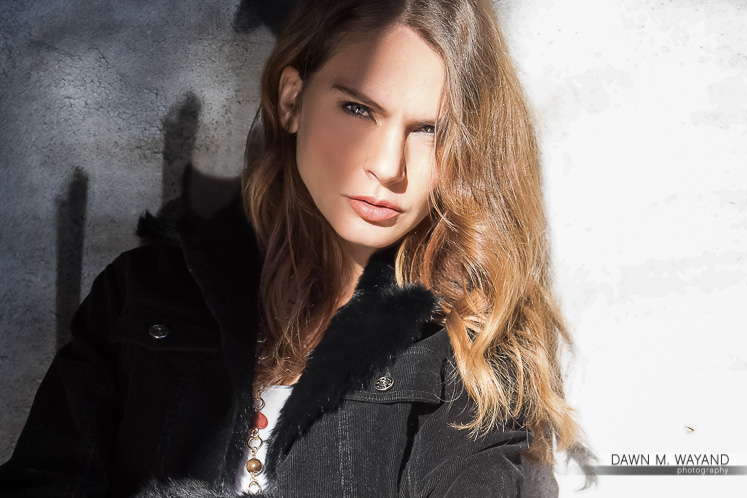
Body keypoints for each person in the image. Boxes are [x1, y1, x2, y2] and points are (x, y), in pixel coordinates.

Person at [0, 0, 582, 496]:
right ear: (291, 100)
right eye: (358, 109)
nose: (388, 167)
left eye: (428, 130)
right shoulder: (143, 293)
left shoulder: (466, 351)